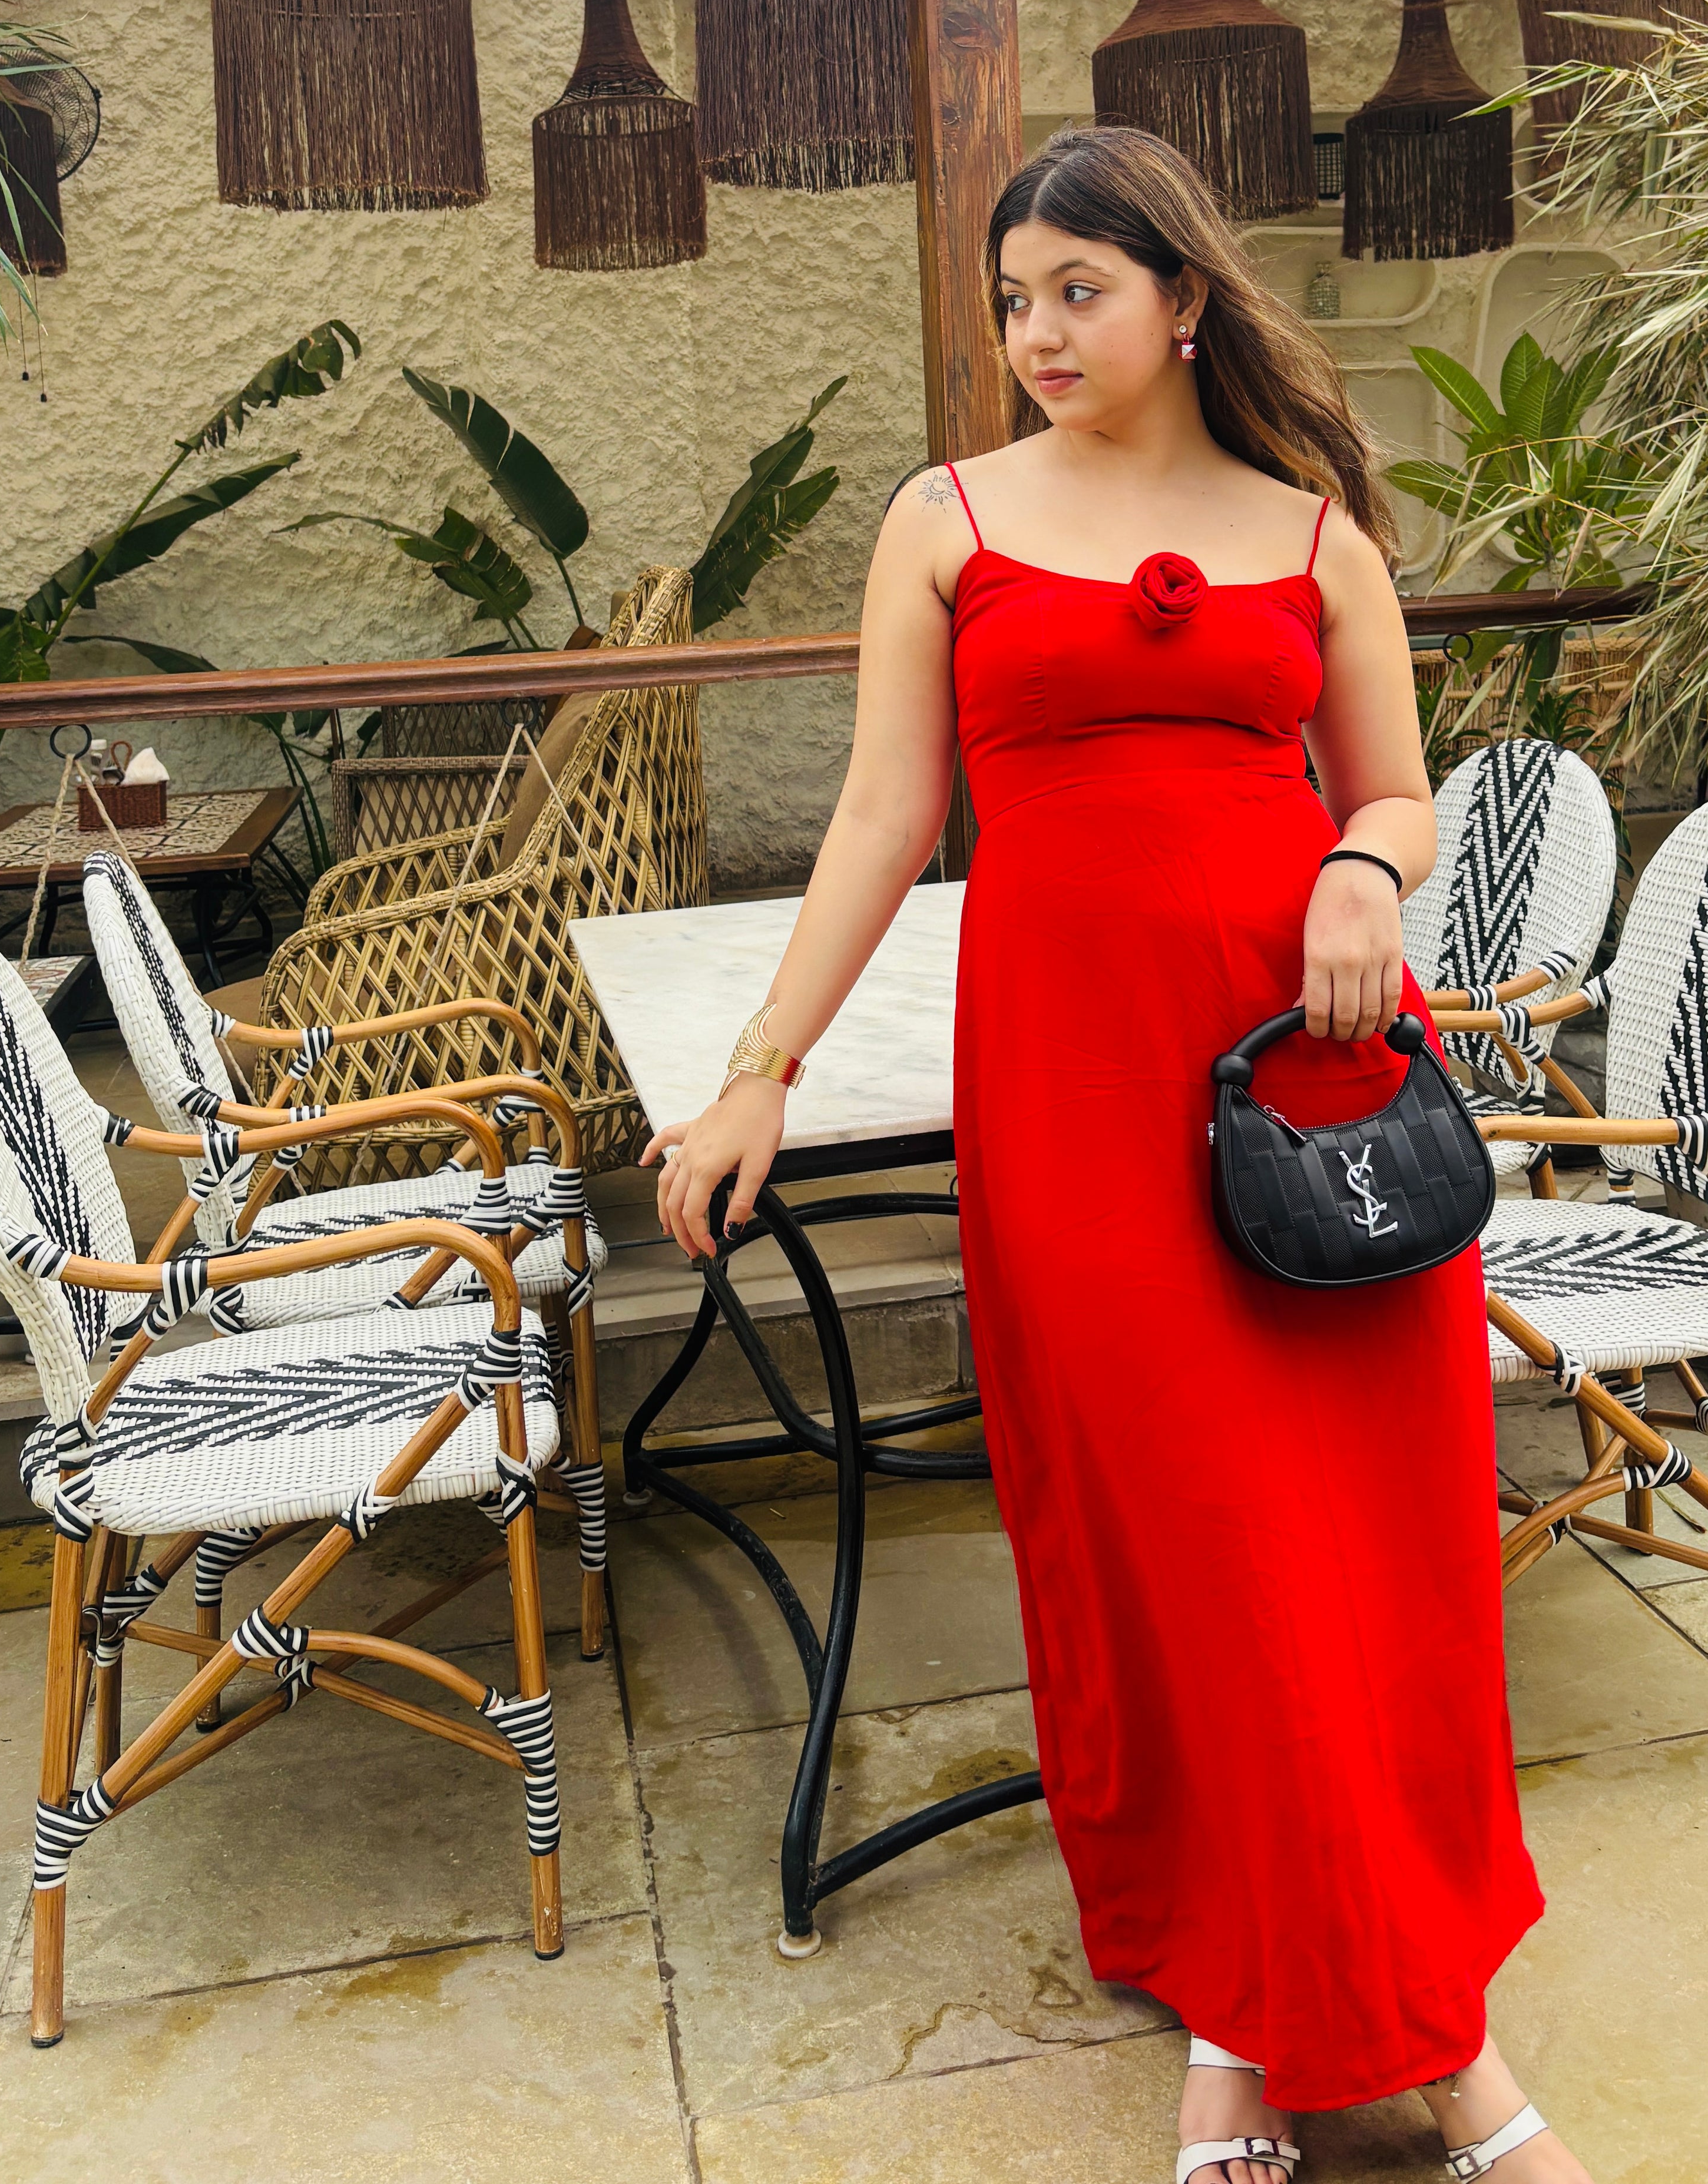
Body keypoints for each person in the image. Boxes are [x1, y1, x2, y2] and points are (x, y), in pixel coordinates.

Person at [647, 125, 1580, 2184]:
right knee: (1186, 1550)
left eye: (1080, 288)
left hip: (1309, 1087)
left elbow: (1406, 791)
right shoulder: (947, 521)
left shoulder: (1313, 531)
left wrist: (1357, 865)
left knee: (1368, 1553)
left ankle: (1277, 2036)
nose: (1037, 332)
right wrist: (761, 1071)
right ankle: (1403, 2052)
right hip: (1076, 1100)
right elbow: (889, 816)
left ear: (1183, 296)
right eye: (1013, 300)